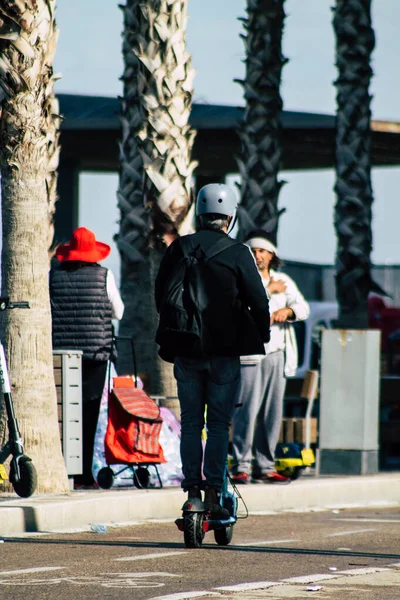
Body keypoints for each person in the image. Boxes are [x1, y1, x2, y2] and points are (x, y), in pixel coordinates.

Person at [155, 184, 270, 518]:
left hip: (186, 351)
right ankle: (216, 491)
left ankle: (192, 488)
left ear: (199, 215)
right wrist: (259, 333)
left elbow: (161, 295)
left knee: (191, 423)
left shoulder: (179, 248)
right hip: (224, 353)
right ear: (229, 217)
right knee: (218, 425)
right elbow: (259, 300)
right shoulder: (238, 253)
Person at [231, 229, 310, 484]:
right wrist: (268, 288)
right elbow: (244, 307)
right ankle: (241, 464)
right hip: (250, 355)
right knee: (246, 411)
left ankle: (265, 465)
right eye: (253, 251)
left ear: (271, 254)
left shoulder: (283, 280)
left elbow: (303, 308)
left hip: (277, 354)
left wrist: (287, 310)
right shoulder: (241, 278)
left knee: (272, 412)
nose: (258, 256)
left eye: (262, 251)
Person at [50, 227, 124, 487]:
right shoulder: (104, 275)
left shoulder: (53, 275)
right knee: (89, 410)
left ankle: (61, 466)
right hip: (96, 353)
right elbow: (120, 312)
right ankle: (83, 475)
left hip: (60, 354)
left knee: (63, 410)